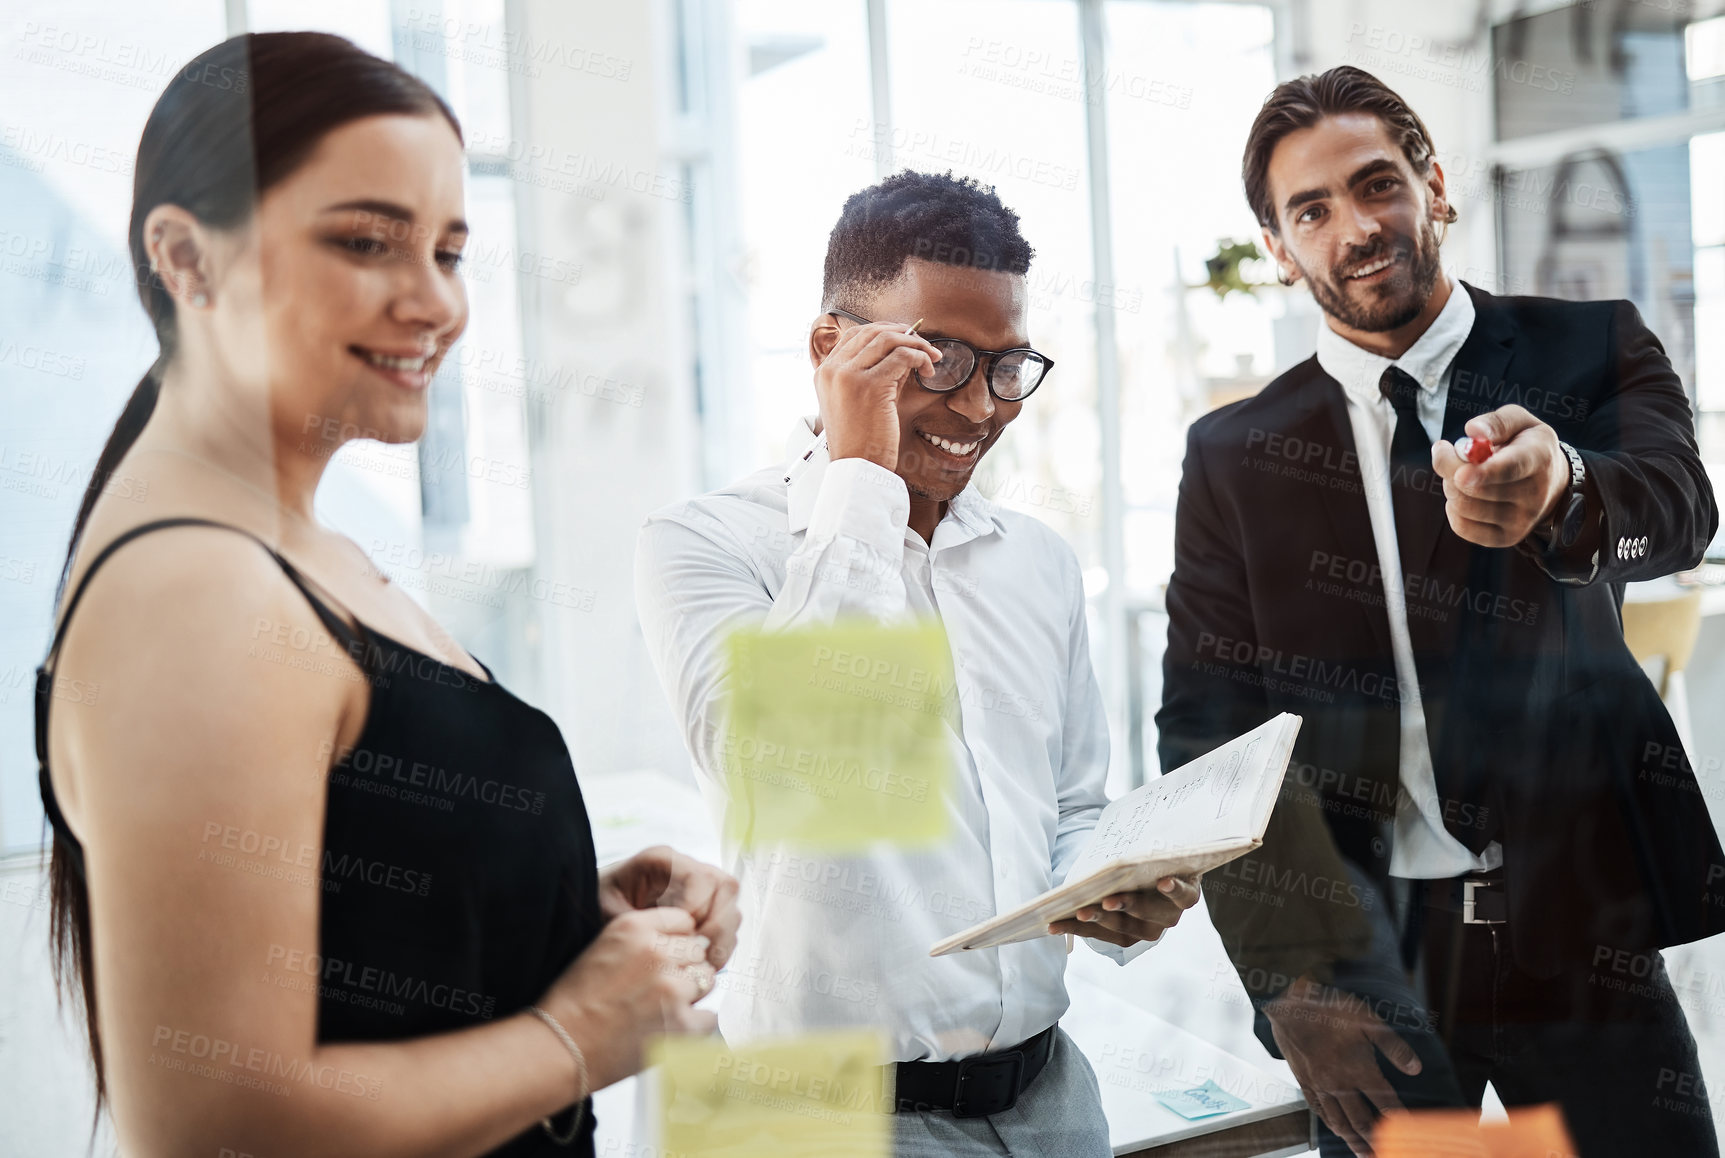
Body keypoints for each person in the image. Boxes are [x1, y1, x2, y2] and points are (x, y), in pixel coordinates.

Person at [36, 33, 738, 1158]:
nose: (434, 304)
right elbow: (212, 1123)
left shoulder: (289, 550)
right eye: (368, 242)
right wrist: (576, 1034)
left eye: (450, 253)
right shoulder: (197, 593)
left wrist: (544, 911)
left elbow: (348, 934)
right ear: (187, 259)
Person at [1157, 65, 1724, 1157]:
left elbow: (1681, 506)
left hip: (1584, 940)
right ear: (1278, 249)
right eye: (1310, 211)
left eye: (1377, 185)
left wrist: (1565, 485)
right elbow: (1209, 733)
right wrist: (1289, 983)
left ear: (1435, 185)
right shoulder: (1233, 457)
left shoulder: (1588, 344)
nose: (1355, 228)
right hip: (1378, 971)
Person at [634, 169, 1200, 1156]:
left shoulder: (1037, 561)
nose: (979, 406)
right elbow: (797, 779)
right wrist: (858, 481)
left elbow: (1065, 806)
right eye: (937, 359)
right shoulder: (703, 544)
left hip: (1050, 1101)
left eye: (1006, 364)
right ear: (829, 350)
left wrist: (1105, 890)